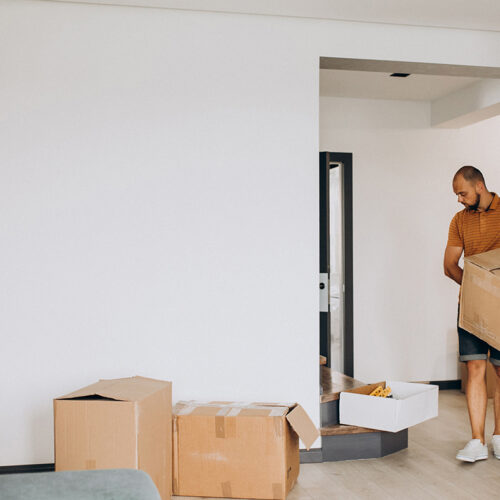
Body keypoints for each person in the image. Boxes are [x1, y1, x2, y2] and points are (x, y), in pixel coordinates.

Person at [444, 165, 500, 462]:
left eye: (462, 193)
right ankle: (477, 441)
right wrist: (478, 288)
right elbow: (450, 264)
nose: (459, 199)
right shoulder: (459, 221)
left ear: (479, 186)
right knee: (475, 370)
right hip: (471, 307)